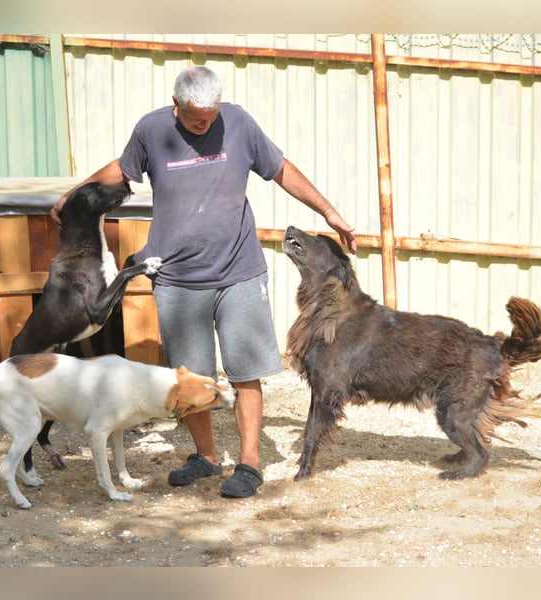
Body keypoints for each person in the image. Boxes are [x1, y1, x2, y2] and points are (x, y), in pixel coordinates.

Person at [51, 66, 357, 498]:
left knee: (246, 372)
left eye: (211, 116)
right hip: (176, 277)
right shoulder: (152, 130)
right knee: (190, 376)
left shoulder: (239, 123)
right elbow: (122, 170)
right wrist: (74, 194)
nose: (206, 124)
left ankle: (249, 462)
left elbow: (281, 169)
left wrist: (328, 211)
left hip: (239, 271)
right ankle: (207, 456)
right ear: (176, 104)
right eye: (197, 118)